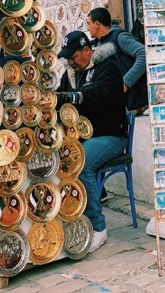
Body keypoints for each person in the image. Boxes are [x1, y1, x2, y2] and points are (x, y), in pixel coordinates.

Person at [56, 30, 127, 253]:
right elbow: (60, 99)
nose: (70, 62)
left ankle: (98, 227)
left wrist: (72, 97)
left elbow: (98, 95)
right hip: (81, 136)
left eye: (73, 57)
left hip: (110, 135)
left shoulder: (108, 67)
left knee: (81, 164)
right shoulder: (69, 74)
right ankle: (70, 218)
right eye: (67, 57)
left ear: (87, 51)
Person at [87, 7, 147, 113]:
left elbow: (143, 54)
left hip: (133, 103)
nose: (88, 28)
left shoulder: (120, 37)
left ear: (97, 24)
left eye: (88, 23)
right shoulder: (96, 44)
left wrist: (126, 83)